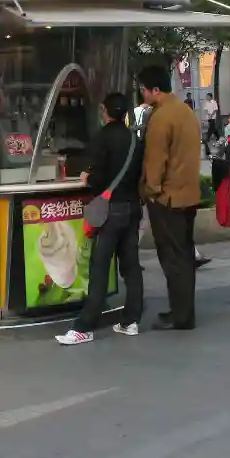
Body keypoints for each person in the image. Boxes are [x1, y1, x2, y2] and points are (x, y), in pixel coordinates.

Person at [56, 93, 145, 345]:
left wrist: (88, 178)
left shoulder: (102, 138)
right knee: (131, 266)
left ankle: (84, 326)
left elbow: (99, 177)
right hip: (131, 208)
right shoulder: (134, 140)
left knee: (99, 267)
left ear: (104, 111)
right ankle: (131, 320)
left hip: (111, 212)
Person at [137, 65, 202, 331]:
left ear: (154, 90)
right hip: (188, 195)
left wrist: (149, 191)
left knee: (173, 258)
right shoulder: (186, 111)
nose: (141, 94)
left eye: (143, 89)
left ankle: (180, 315)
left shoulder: (161, 117)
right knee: (184, 255)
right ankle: (184, 311)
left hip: (168, 199)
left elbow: (155, 162)